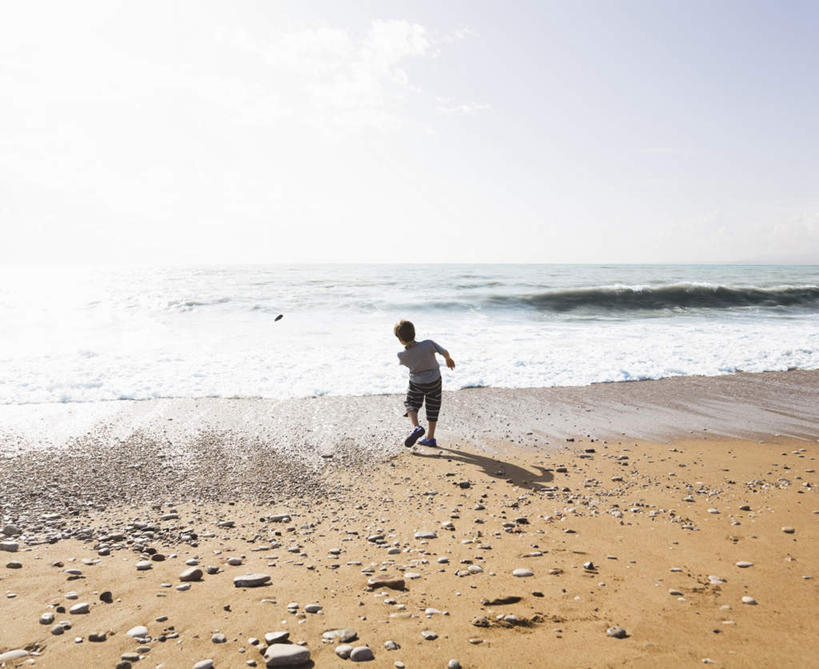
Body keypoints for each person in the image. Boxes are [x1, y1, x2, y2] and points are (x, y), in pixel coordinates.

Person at [394, 319, 455, 448]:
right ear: (414, 333)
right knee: (433, 407)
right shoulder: (428, 344)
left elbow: (412, 362)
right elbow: (445, 352)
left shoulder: (401, 355)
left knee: (411, 404)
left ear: (400, 339)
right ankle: (430, 437)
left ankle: (416, 427)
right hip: (434, 380)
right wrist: (448, 359)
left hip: (417, 383)